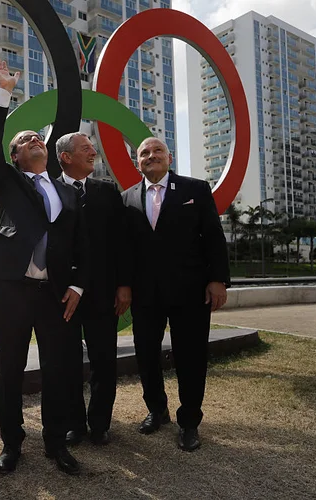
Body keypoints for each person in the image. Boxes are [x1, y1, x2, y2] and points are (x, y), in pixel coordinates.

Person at [0, 59, 90, 476]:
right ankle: (11, 443)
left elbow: (81, 245)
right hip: (14, 287)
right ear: (17, 155)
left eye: (38, 139)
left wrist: (78, 286)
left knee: (58, 370)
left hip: (55, 293)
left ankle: (55, 442)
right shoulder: (9, 181)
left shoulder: (67, 191)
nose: (34, 141)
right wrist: (4, 92)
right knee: (10, 368)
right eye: (26, 140)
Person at [120, 137, 230, 452]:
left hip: (190, 290)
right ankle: (157, 409)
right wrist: (124, 284)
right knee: (145, 354)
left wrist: (218, 279)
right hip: (145, 294)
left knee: (191, 356)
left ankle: (189, 421)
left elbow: (213, 236)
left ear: (170, 157)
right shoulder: (126, 198)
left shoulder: (195, 189)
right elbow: (124, 249)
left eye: (157, 151)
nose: (150, 156)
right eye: (144, 153)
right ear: (136, 162)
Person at [55, 132, 132, 447]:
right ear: (66, 157)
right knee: (67, 361)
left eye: (93, 147)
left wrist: (124, 285)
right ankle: (74, 423)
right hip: (64, 295)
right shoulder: (49, 191)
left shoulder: (107, 191)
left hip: (102, 292)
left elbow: (121, 243)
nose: (93, 151)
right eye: (85, 148)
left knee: (104, 359)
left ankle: (100, 423)